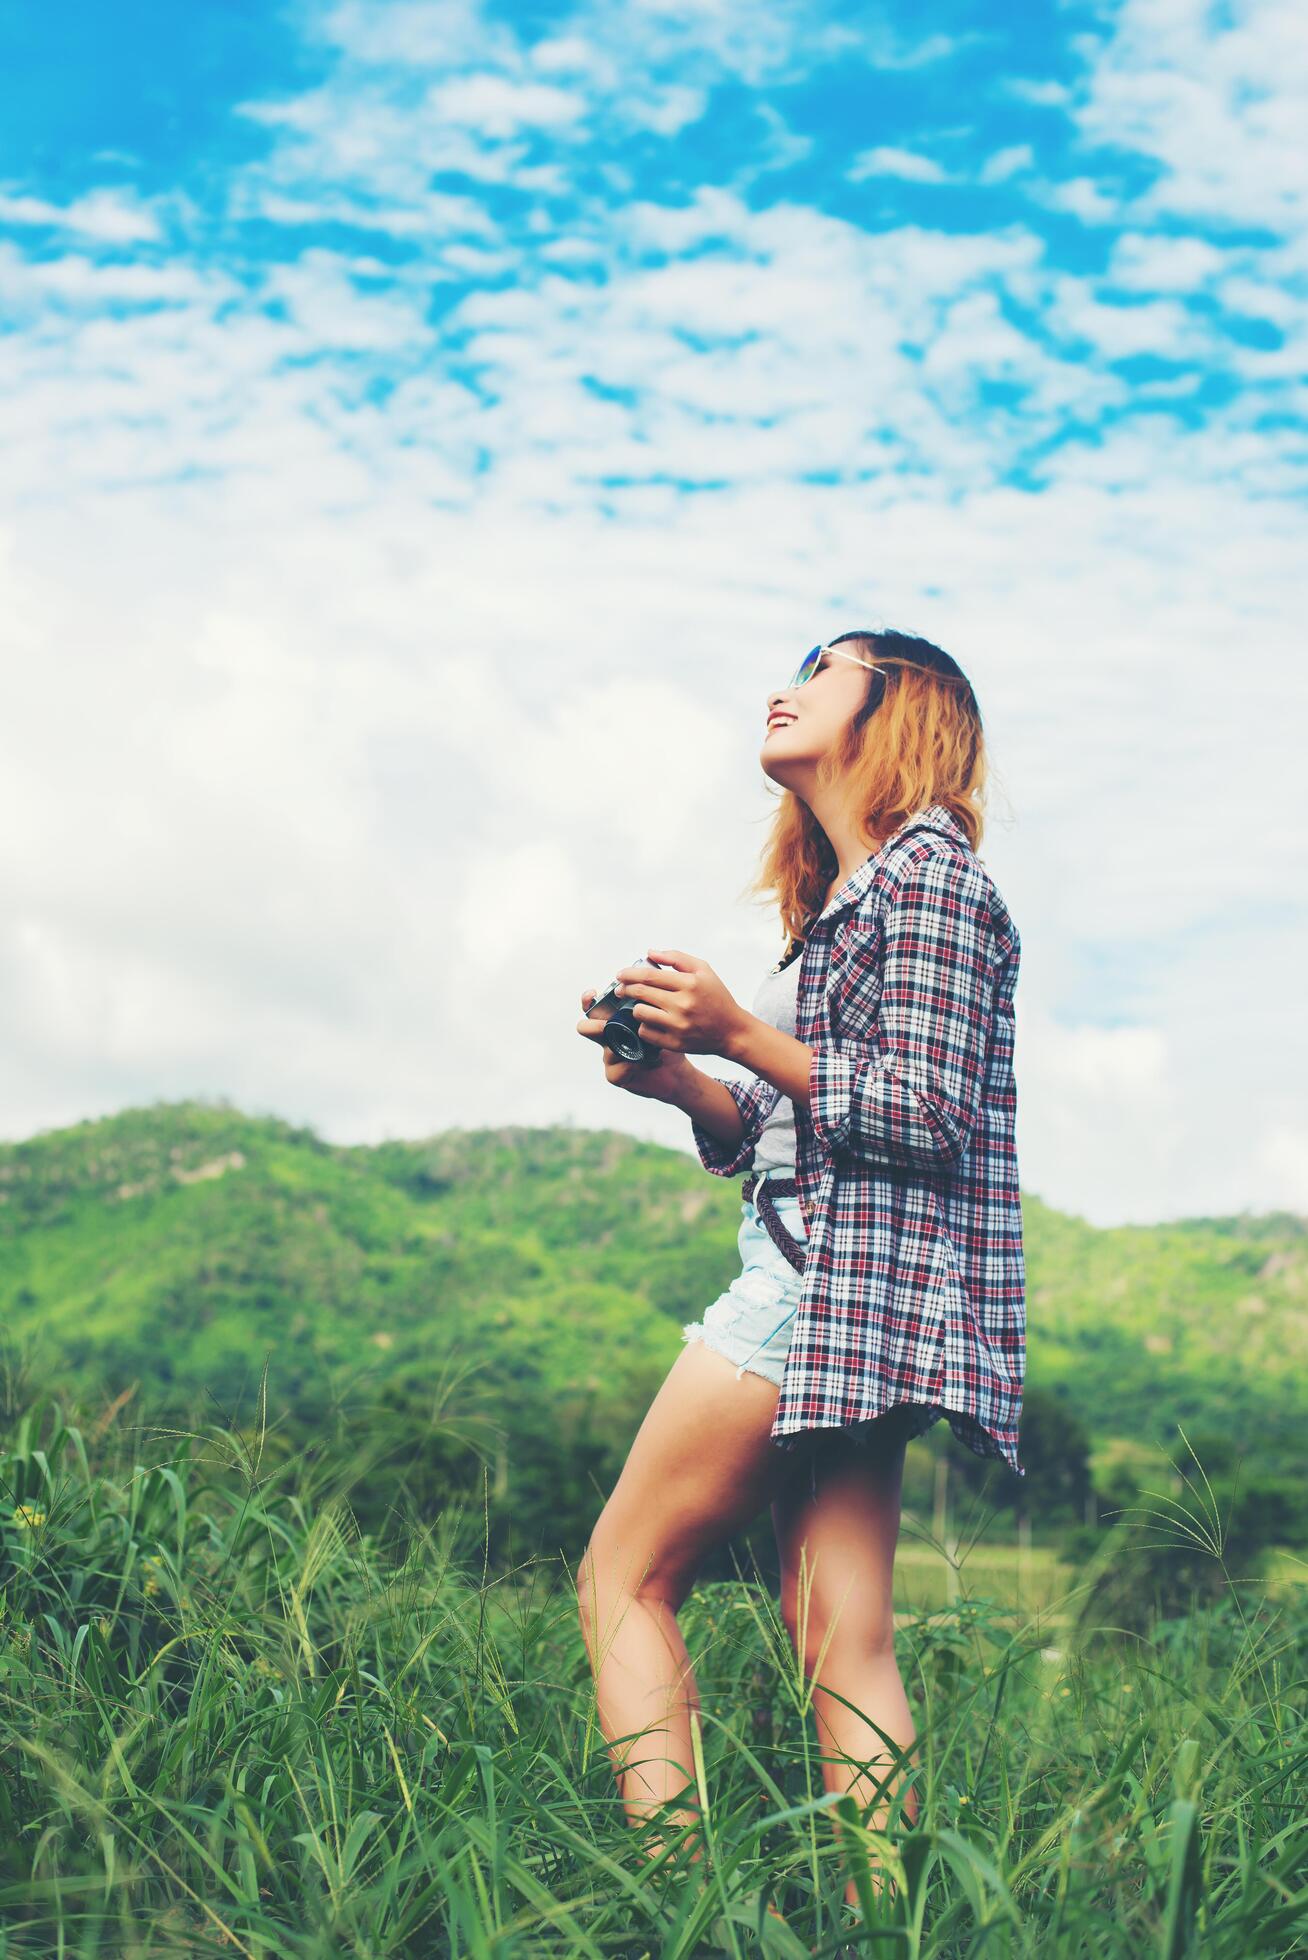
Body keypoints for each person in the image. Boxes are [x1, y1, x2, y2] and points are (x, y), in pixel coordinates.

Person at [574, 630, 1025, 1915]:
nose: (787, 683)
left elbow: (926, 1113)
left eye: (827, 668)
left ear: (901, 709)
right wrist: (685, 1079)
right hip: (846, 1295)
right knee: (840, 1636)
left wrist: (739, 1028)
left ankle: (685, 1909)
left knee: (625, 1576)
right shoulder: (853, 898)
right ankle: (895, 1926)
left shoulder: (932, 882)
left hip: (814, 1294)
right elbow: (785, 1139)